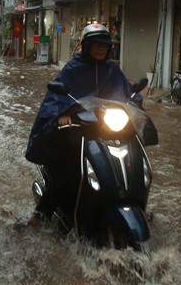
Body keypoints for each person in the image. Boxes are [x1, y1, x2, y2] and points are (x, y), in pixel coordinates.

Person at [25, 23, 133, 225]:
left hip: (107, 130)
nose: (101, 48)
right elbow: (56, 98)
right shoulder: (73, 69)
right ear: (87, 46)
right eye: (96, 44)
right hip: (78, 131)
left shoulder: (113, 71)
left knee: (131, 163)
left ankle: (137, 204)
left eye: (104, 45)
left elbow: (127, 94)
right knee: (68, 169)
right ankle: (41, 214)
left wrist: (135, 105)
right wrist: (63, 114)